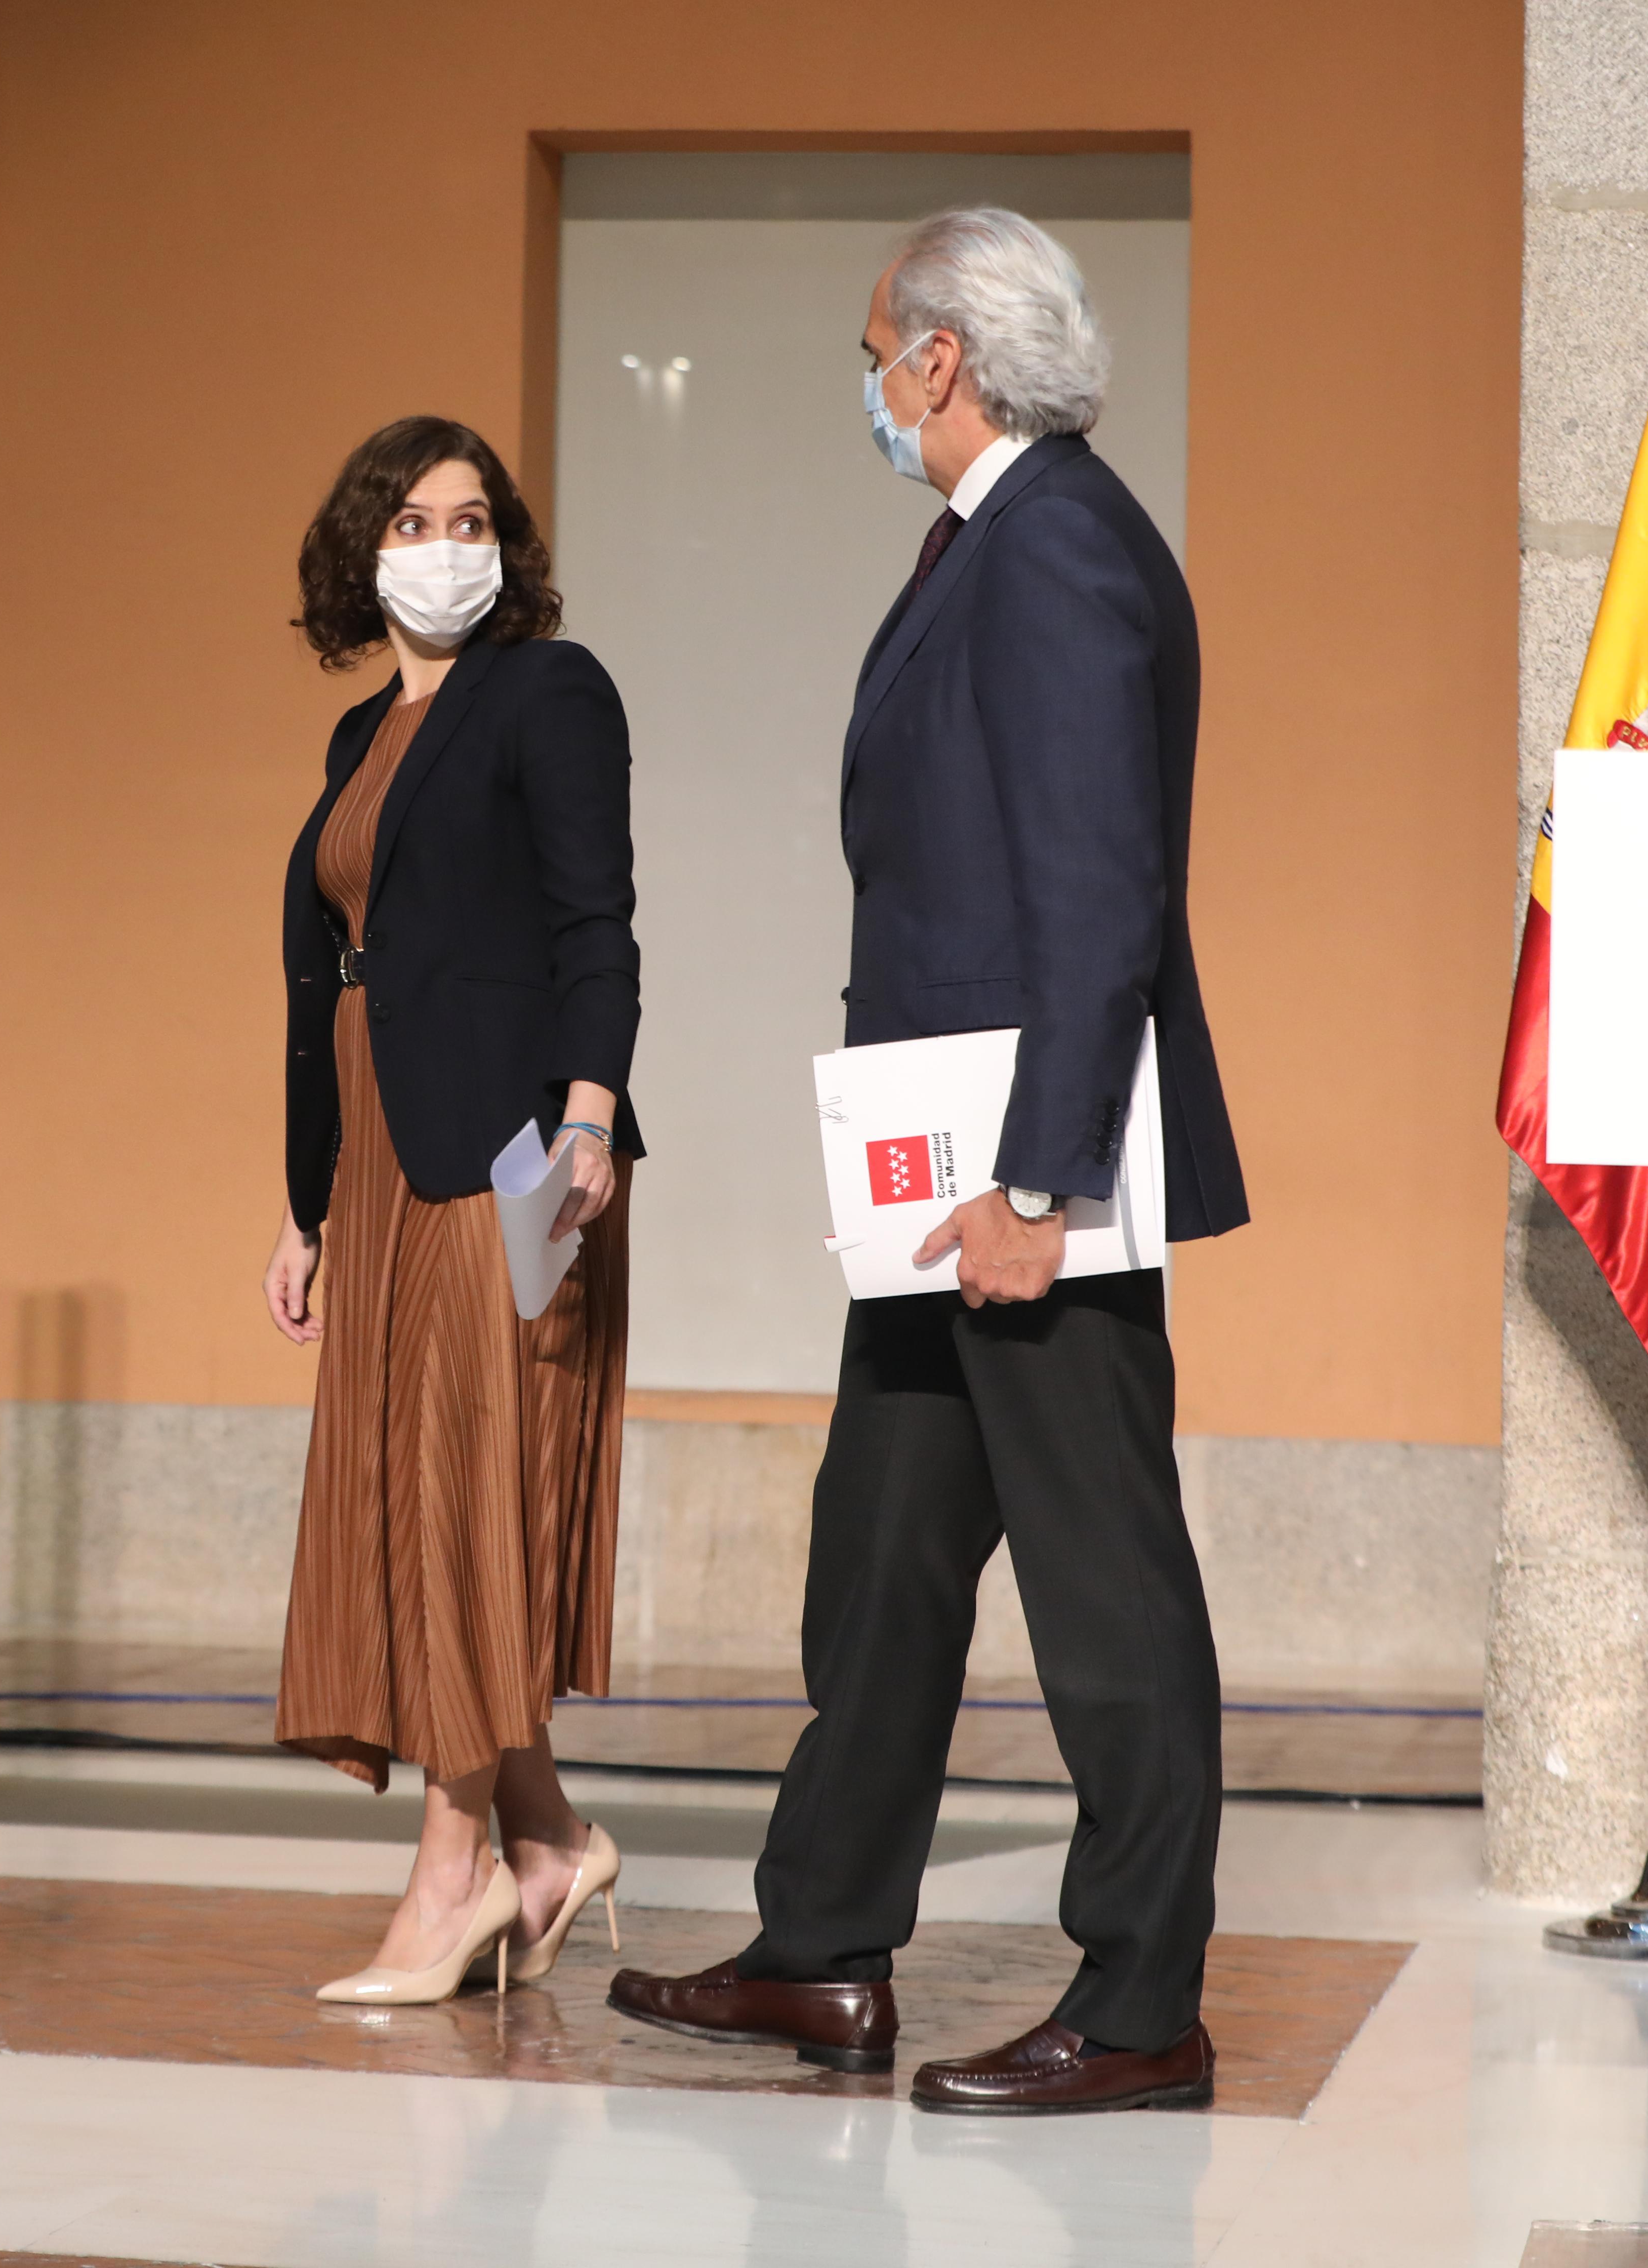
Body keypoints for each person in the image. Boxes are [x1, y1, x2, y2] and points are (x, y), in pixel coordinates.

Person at [606, 211, 1248, 2112]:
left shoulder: (1053, 545)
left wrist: (1039, 1187)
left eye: (878, 349)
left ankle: (1142, 2007)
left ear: (944, 359)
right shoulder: (1006, 534)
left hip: (1022, 1177)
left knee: (1105, 1588)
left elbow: (1096, 888)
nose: (873, 385)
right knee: (880, 1558)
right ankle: (824, 1953)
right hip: (937, 1179)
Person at [264, 416, 642, 2004]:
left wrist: (591, 1108)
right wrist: (305, 1208)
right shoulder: (362, 739)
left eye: (468, 516)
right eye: (411, 521)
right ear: (365, 551)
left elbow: (596, 920)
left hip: (511, 1160)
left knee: (472, 1505)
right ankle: (549, 1841)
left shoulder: (549, 691)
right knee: (418, 1513)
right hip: (379, 1166)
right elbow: (326, 983)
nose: (443, 544)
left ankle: (451, 1880)